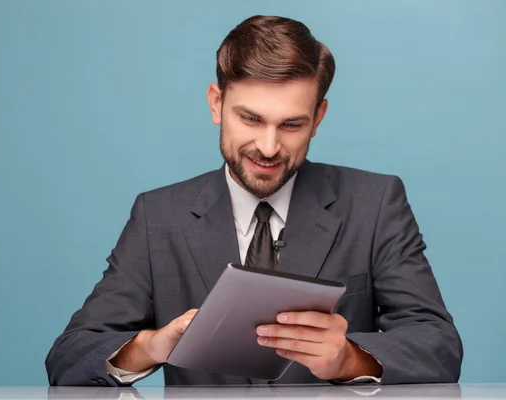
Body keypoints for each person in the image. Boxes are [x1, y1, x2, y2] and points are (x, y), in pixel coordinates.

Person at [45, 15, 463, 386]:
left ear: (318, 118)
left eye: (292, 124)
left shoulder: (375, 203)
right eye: (250, 118)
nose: (268, 147)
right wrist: (151, 347)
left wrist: (348, 358)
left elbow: (438, 345)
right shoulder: (158, 216)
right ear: (216, 103)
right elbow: (69, 357)